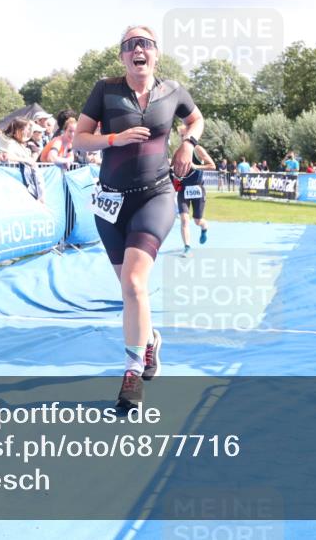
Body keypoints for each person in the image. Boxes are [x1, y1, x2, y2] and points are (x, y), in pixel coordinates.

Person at [72, 24, 203, 411]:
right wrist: (114, 139)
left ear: (156, 53)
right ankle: (149, 341)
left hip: (155, 196)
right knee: (132, 292)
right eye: (129, 45)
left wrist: (187, 144)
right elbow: (79, 139)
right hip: (110, 203)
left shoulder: (172, 90)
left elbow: (195, 119)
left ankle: (131, 373)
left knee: (133, 283)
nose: (137, 49)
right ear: (122, 57)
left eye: (144, 43)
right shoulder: (105, 90)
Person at [174, 124, 216, 256]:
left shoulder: (198, 149)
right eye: (181, 136)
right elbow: (172, 168)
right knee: (184, 219)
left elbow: (212, 166)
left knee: (198, 221)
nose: (182, 138)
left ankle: (204, 227)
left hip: (198, 189)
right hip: (183, 189)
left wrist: (195, 166)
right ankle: (187, 247)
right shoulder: (178, 151)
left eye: (184, 135)